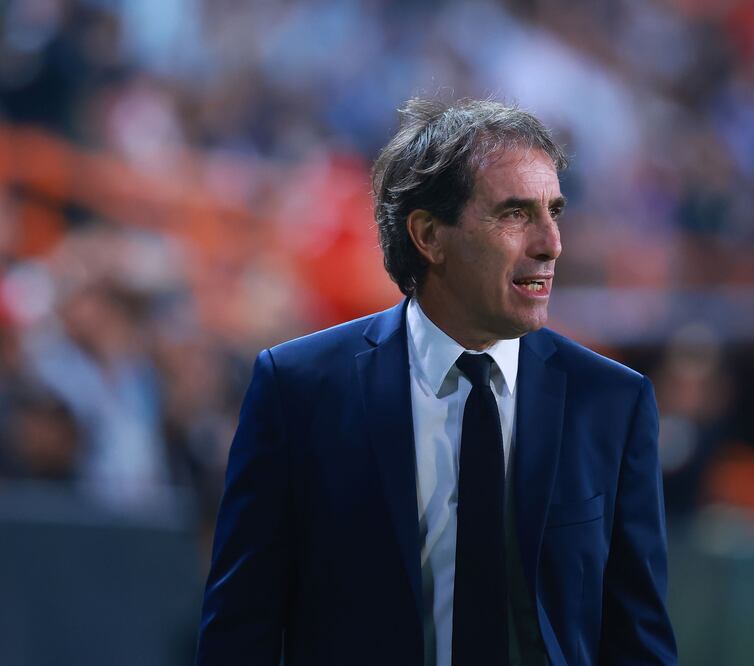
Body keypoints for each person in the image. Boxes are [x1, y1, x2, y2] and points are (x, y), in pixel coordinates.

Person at [195, 98, 678, 665]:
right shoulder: (298, 389)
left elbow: (639, 641)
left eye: (554, 211)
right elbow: (239, 632)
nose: (551, 243)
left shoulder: (613, 402)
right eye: (515, 214)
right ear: (428, 235)